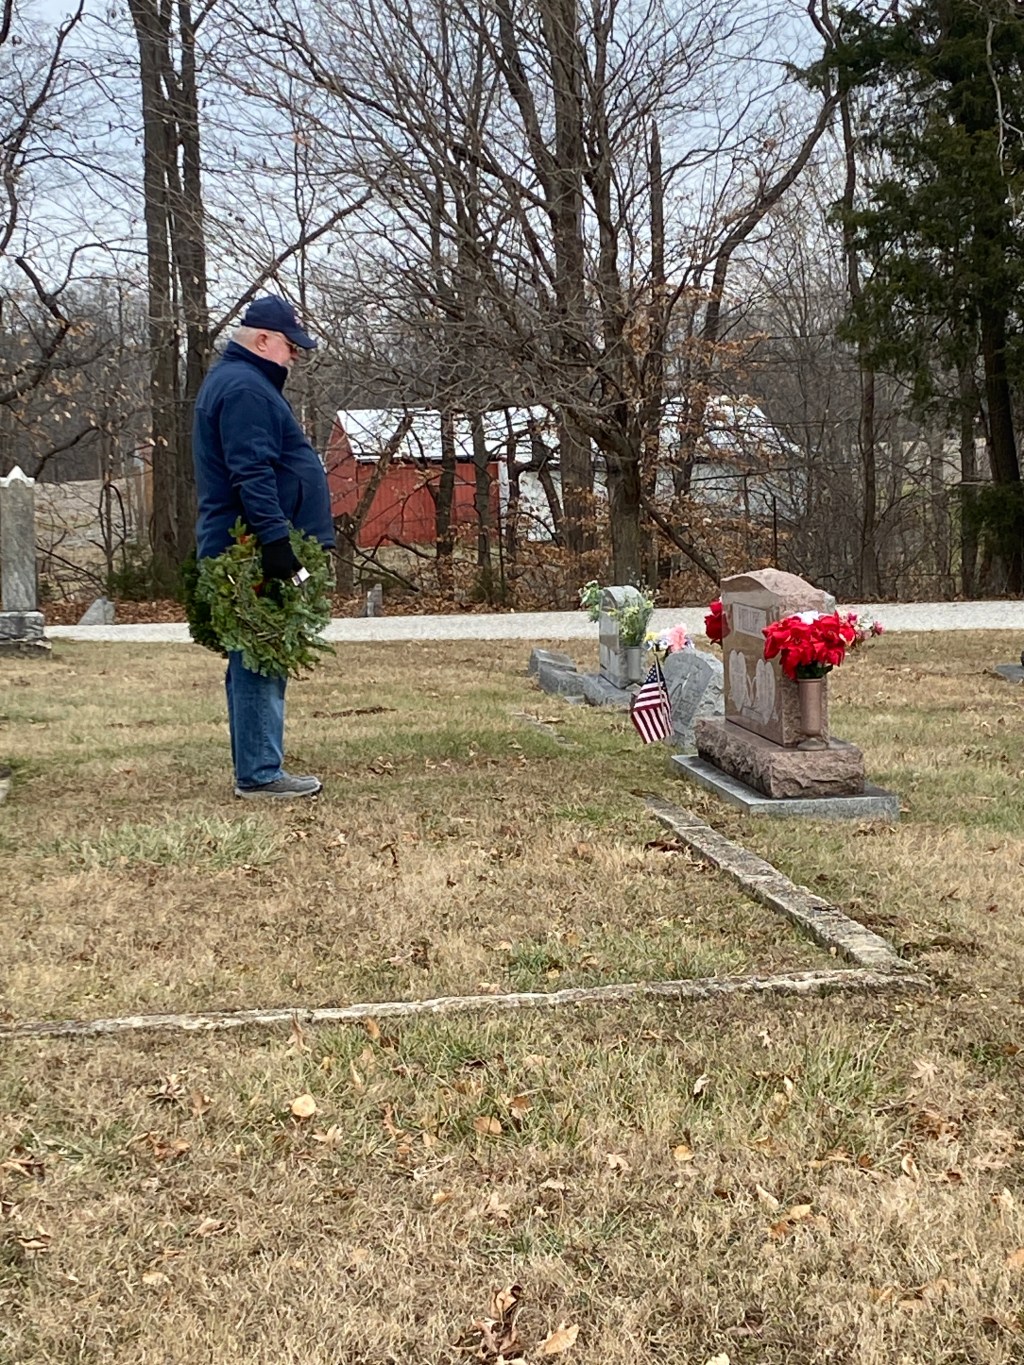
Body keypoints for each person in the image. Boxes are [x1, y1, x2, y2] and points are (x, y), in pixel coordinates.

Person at [192, 294, 335, 799]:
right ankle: (259, 775)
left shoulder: (242, 383)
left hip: (246, 542)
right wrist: (276, 542)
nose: (295, 356)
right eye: (291, 347)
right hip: (248, 545)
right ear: (262, 340)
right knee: (260, 649)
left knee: (255, 651)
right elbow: (249, 470)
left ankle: (258, 767)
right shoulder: (246, 389)